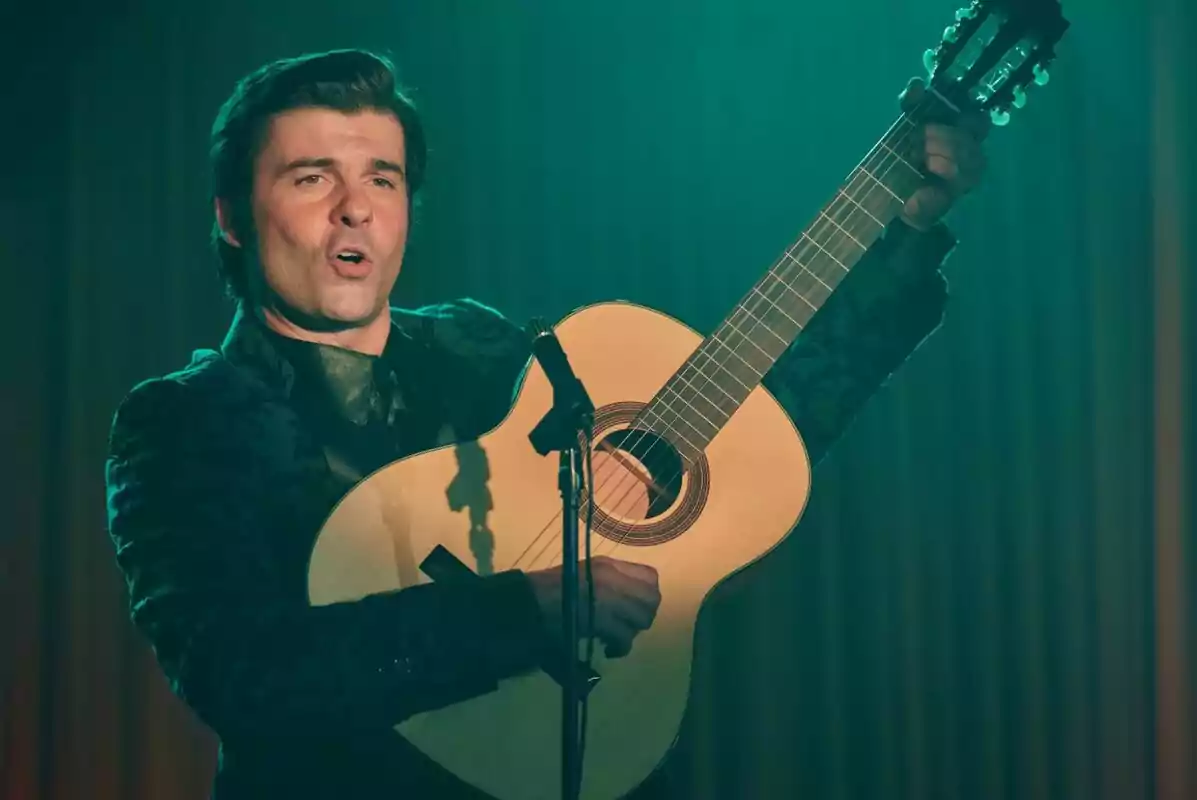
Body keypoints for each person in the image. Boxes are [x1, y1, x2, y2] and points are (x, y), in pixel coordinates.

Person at [104, 49, 986, 799]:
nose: (355, 207)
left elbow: (744, 436)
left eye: (383, 177)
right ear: (230, 217)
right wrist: (523, 611)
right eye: (310, 179)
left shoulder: (486, 349)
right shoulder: (183, 421)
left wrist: (904, 234)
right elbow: (249, 677)